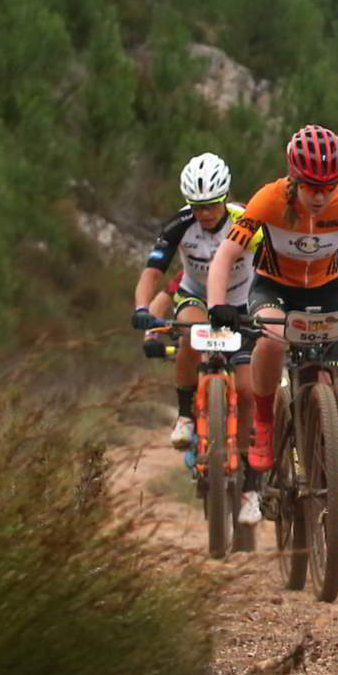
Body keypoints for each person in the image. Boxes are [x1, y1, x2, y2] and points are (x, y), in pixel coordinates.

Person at [205, 125, 338, 551]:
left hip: (326, 290)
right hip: (274, 287)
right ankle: (263, 422)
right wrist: (217, 303)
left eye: (328, 186)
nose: (320, 195)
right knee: (273, 339)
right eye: (312, 186)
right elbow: (227, 253)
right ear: (295, 179)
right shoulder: (269, 199)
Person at [132, 153, 264, 527]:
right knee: (191, 332)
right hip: (196, 296)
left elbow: (272, 264)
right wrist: (143, 308)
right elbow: (152, 271)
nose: (204, 214)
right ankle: (187, 416)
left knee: (250, 391)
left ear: (224, 198)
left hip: (241, 304)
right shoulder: (180, 223)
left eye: (210, 205)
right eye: (197, 206)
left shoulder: (245, 221)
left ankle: (251, 486)